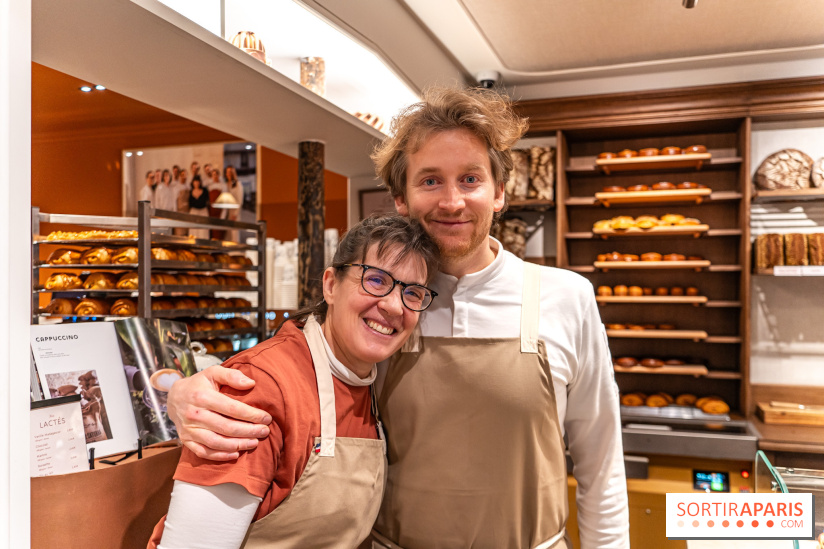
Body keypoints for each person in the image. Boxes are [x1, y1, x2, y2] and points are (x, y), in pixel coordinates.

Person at [167, 87, 630, 548]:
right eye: (430, 181)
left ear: (499, 192)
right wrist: (177, 387)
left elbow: (601, 464)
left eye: (470, 179)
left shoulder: (566, 297)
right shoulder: (380, 313)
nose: (451, 201)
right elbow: (288, 371)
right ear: (401, 199)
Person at [148, 215, 440, 549]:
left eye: (413, 293)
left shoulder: (373, 382)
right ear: (330, 284)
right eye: (375, 280)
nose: (392, 305)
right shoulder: (258, 387)